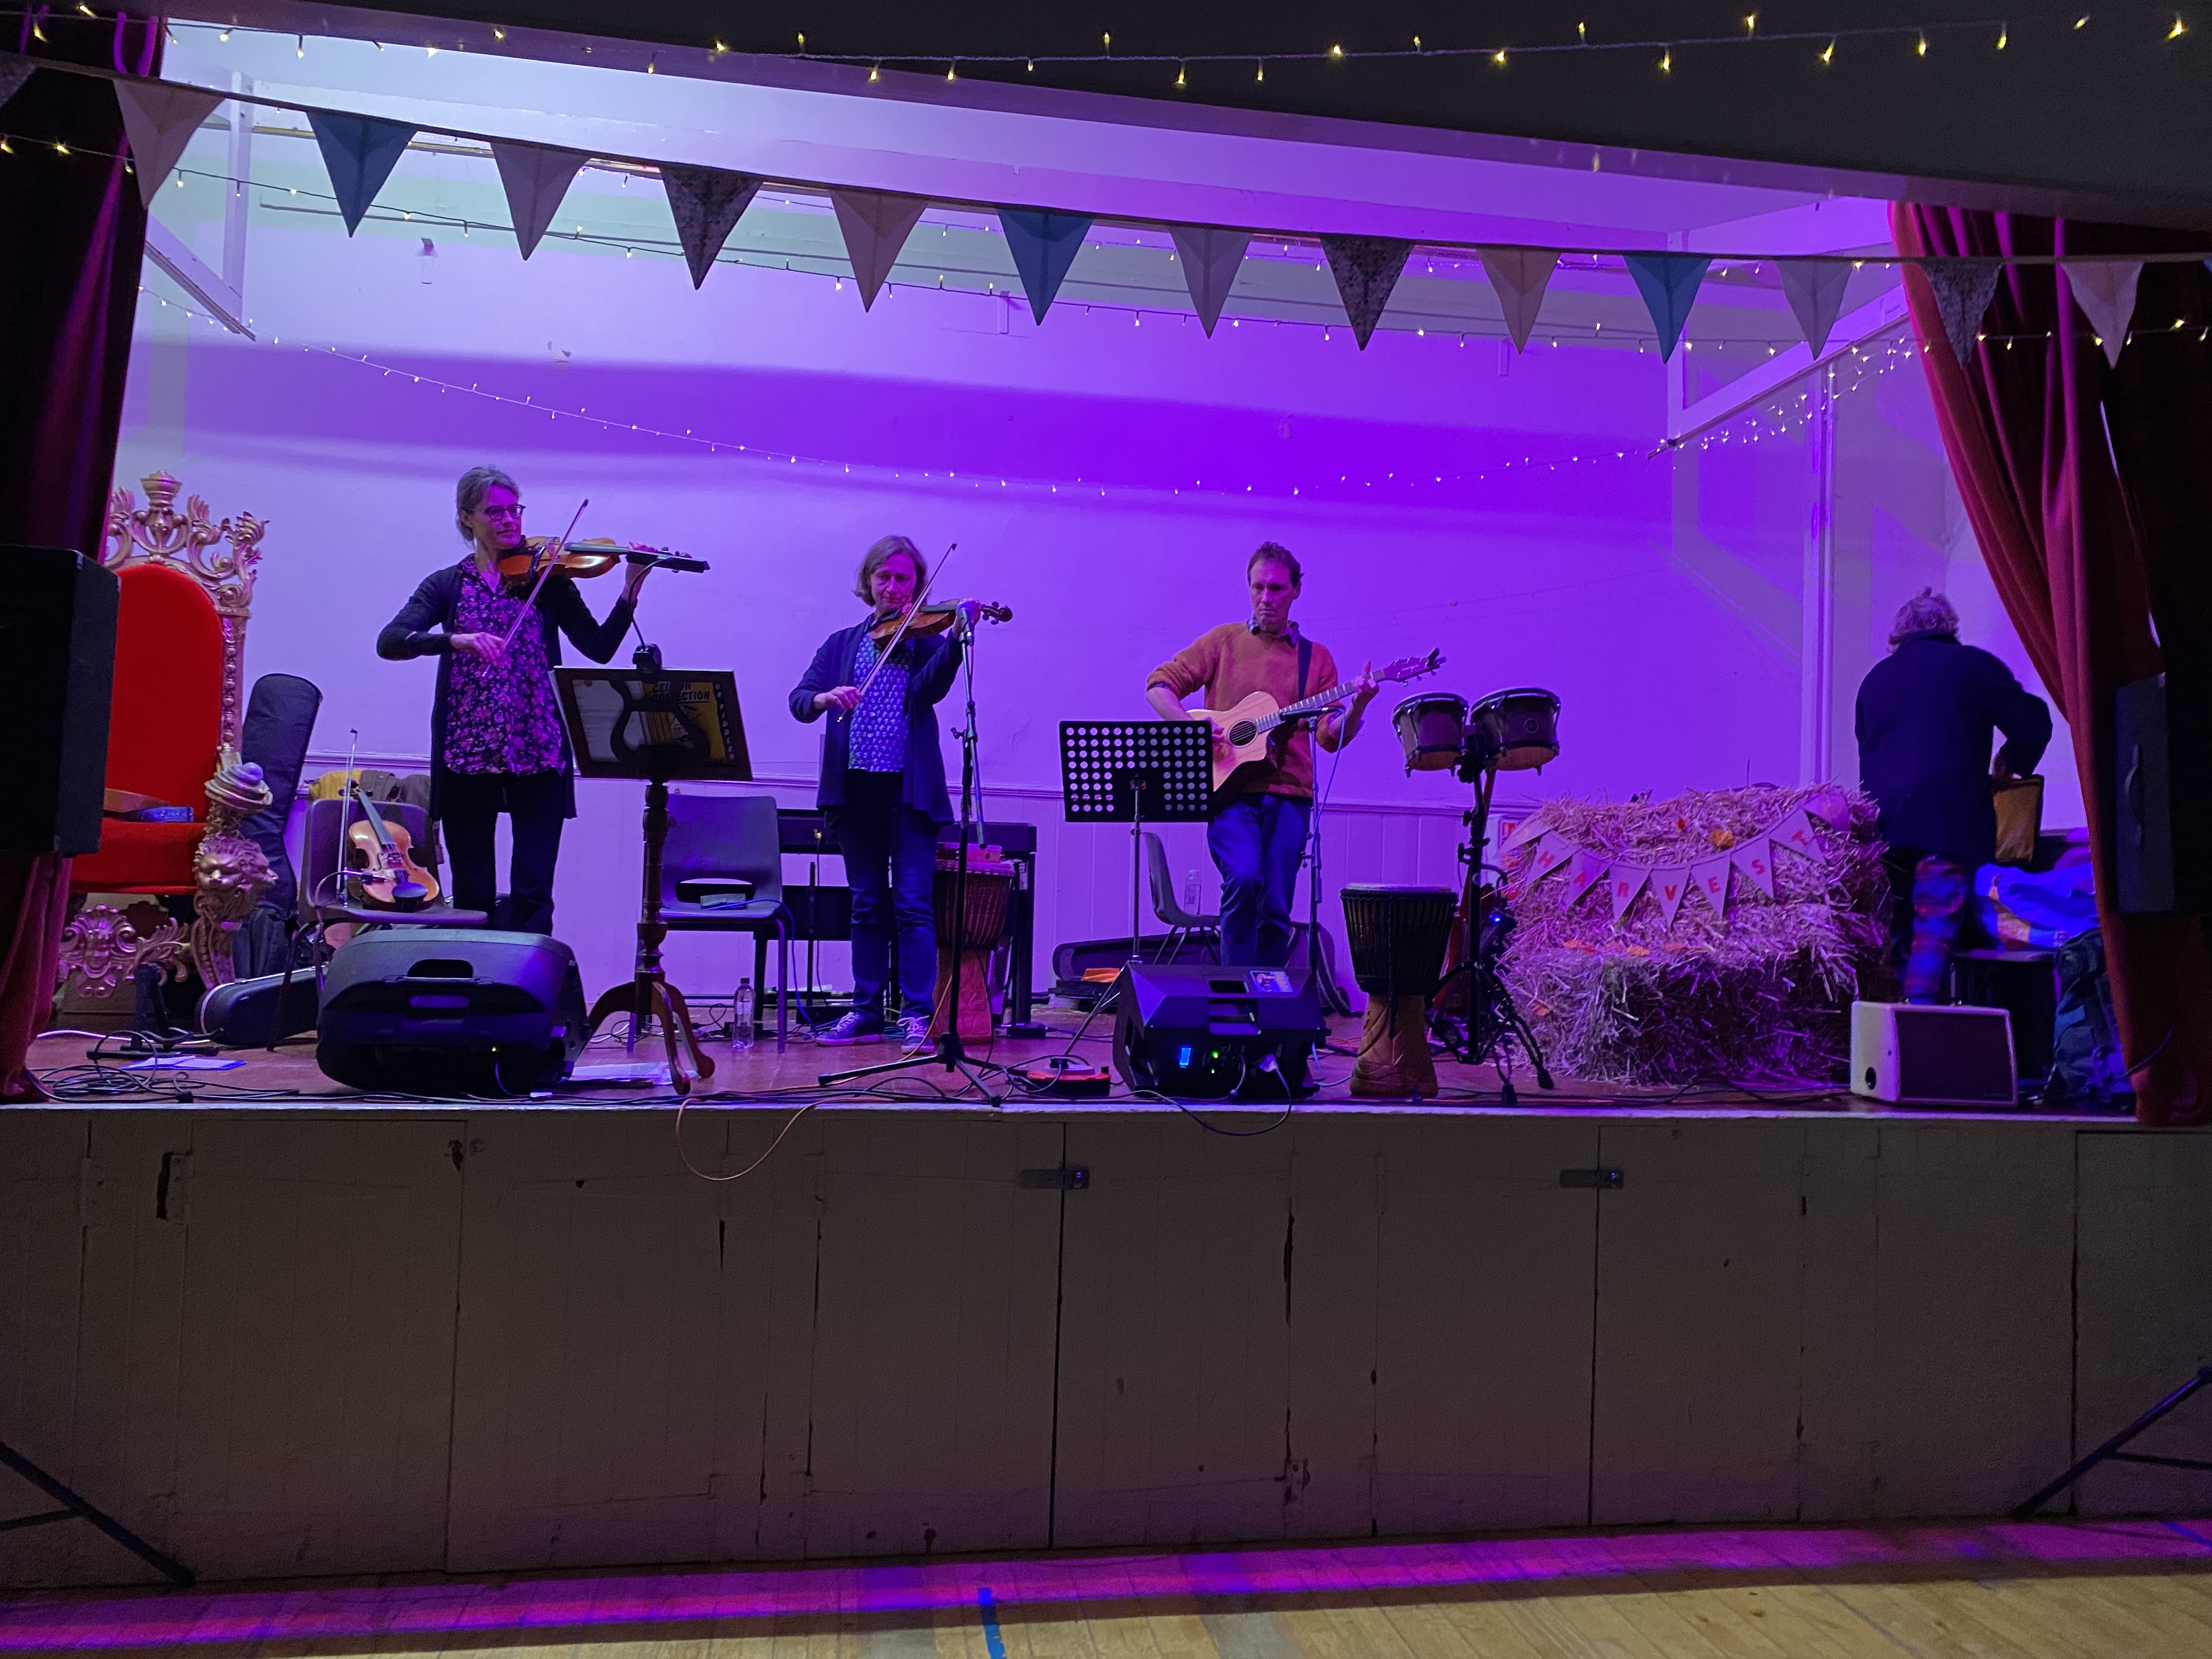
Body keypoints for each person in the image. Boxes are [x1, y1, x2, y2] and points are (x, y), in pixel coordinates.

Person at [376, 466, 650, 934]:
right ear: (467, 518)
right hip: (467, 754)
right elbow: (391, 641)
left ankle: (530, 979)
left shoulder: (549, 579)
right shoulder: (448, 584)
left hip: (537, 748)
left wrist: (631, 590)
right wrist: (455, 640)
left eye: (514, 510)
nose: (508, 521)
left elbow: (599, 648)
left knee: (533, 892)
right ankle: (475, 976)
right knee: (473, 893)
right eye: (494, 512)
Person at [1147, 543, 1379, 967]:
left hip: (1290, 796)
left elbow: (1329, 736)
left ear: (1296, 590)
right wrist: (1188, 725)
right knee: (1243, 878)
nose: (1266, 598)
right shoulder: (1223, 642)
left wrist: (1359, 705)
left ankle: (1268, 995)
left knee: (1275, 906)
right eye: (1258, 588)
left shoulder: (1315, 659)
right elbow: (1159, 687)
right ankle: (1234, 989)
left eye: (1276, 589)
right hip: (1229, 793)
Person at [791, 536, 974, 1049]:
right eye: (884, 577)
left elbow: (931, 689)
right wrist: (826, 697)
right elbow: (799, 700)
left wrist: (955, 640)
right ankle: (866, 1012)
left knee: (913, 903)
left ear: (918, 586)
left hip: (908, 793)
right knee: (867, 903)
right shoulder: (840, 644)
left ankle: (916, 1015)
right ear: (868, 581)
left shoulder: (924, 640)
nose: (893, 587)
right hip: (854, 792)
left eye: (903, 579)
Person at [1856, 588, 2052, 1002]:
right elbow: (2033, 722)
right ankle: (1919, 1018)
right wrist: (2011, 759)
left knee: (1896, 932)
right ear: (1949, 627)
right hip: (1946, 821)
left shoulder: (1873, 682)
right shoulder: (1971, 666)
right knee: (1935, 924)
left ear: (1898, 634)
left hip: (1883, 828)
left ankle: (1888, 1026)